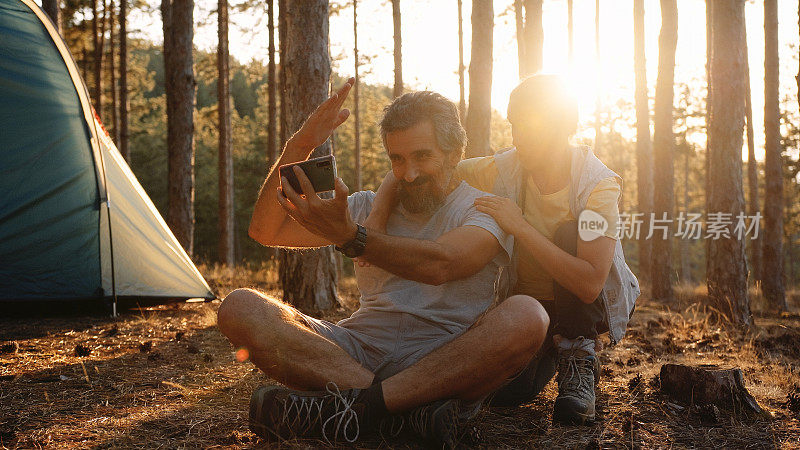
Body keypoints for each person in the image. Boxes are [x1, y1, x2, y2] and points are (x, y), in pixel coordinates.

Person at [216, 79, 550, 447]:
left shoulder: (483, 209)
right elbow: (266, 229)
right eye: (398, 159)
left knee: (528, 316)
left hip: (442, 361)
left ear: (454, 153)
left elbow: (442, 264)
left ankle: (358, 408)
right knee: (239, 307)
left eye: (423, 156)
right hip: (354, 354)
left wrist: (352, 238)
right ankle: (403, 414)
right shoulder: (364, 208)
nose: (409, 173)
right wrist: (300, 145)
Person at [365, 74, 640, 425]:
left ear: (565, 126)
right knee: (512, 393)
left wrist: (520, 226)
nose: (520, 137)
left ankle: (578, 359)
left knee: (570, 232)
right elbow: (418, 168)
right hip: (525, 306)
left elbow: (589, 282)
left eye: (533, 126)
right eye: (515, 124)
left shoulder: (597, 186)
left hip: (584, 304)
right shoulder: (503, 168)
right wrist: (375, 217)